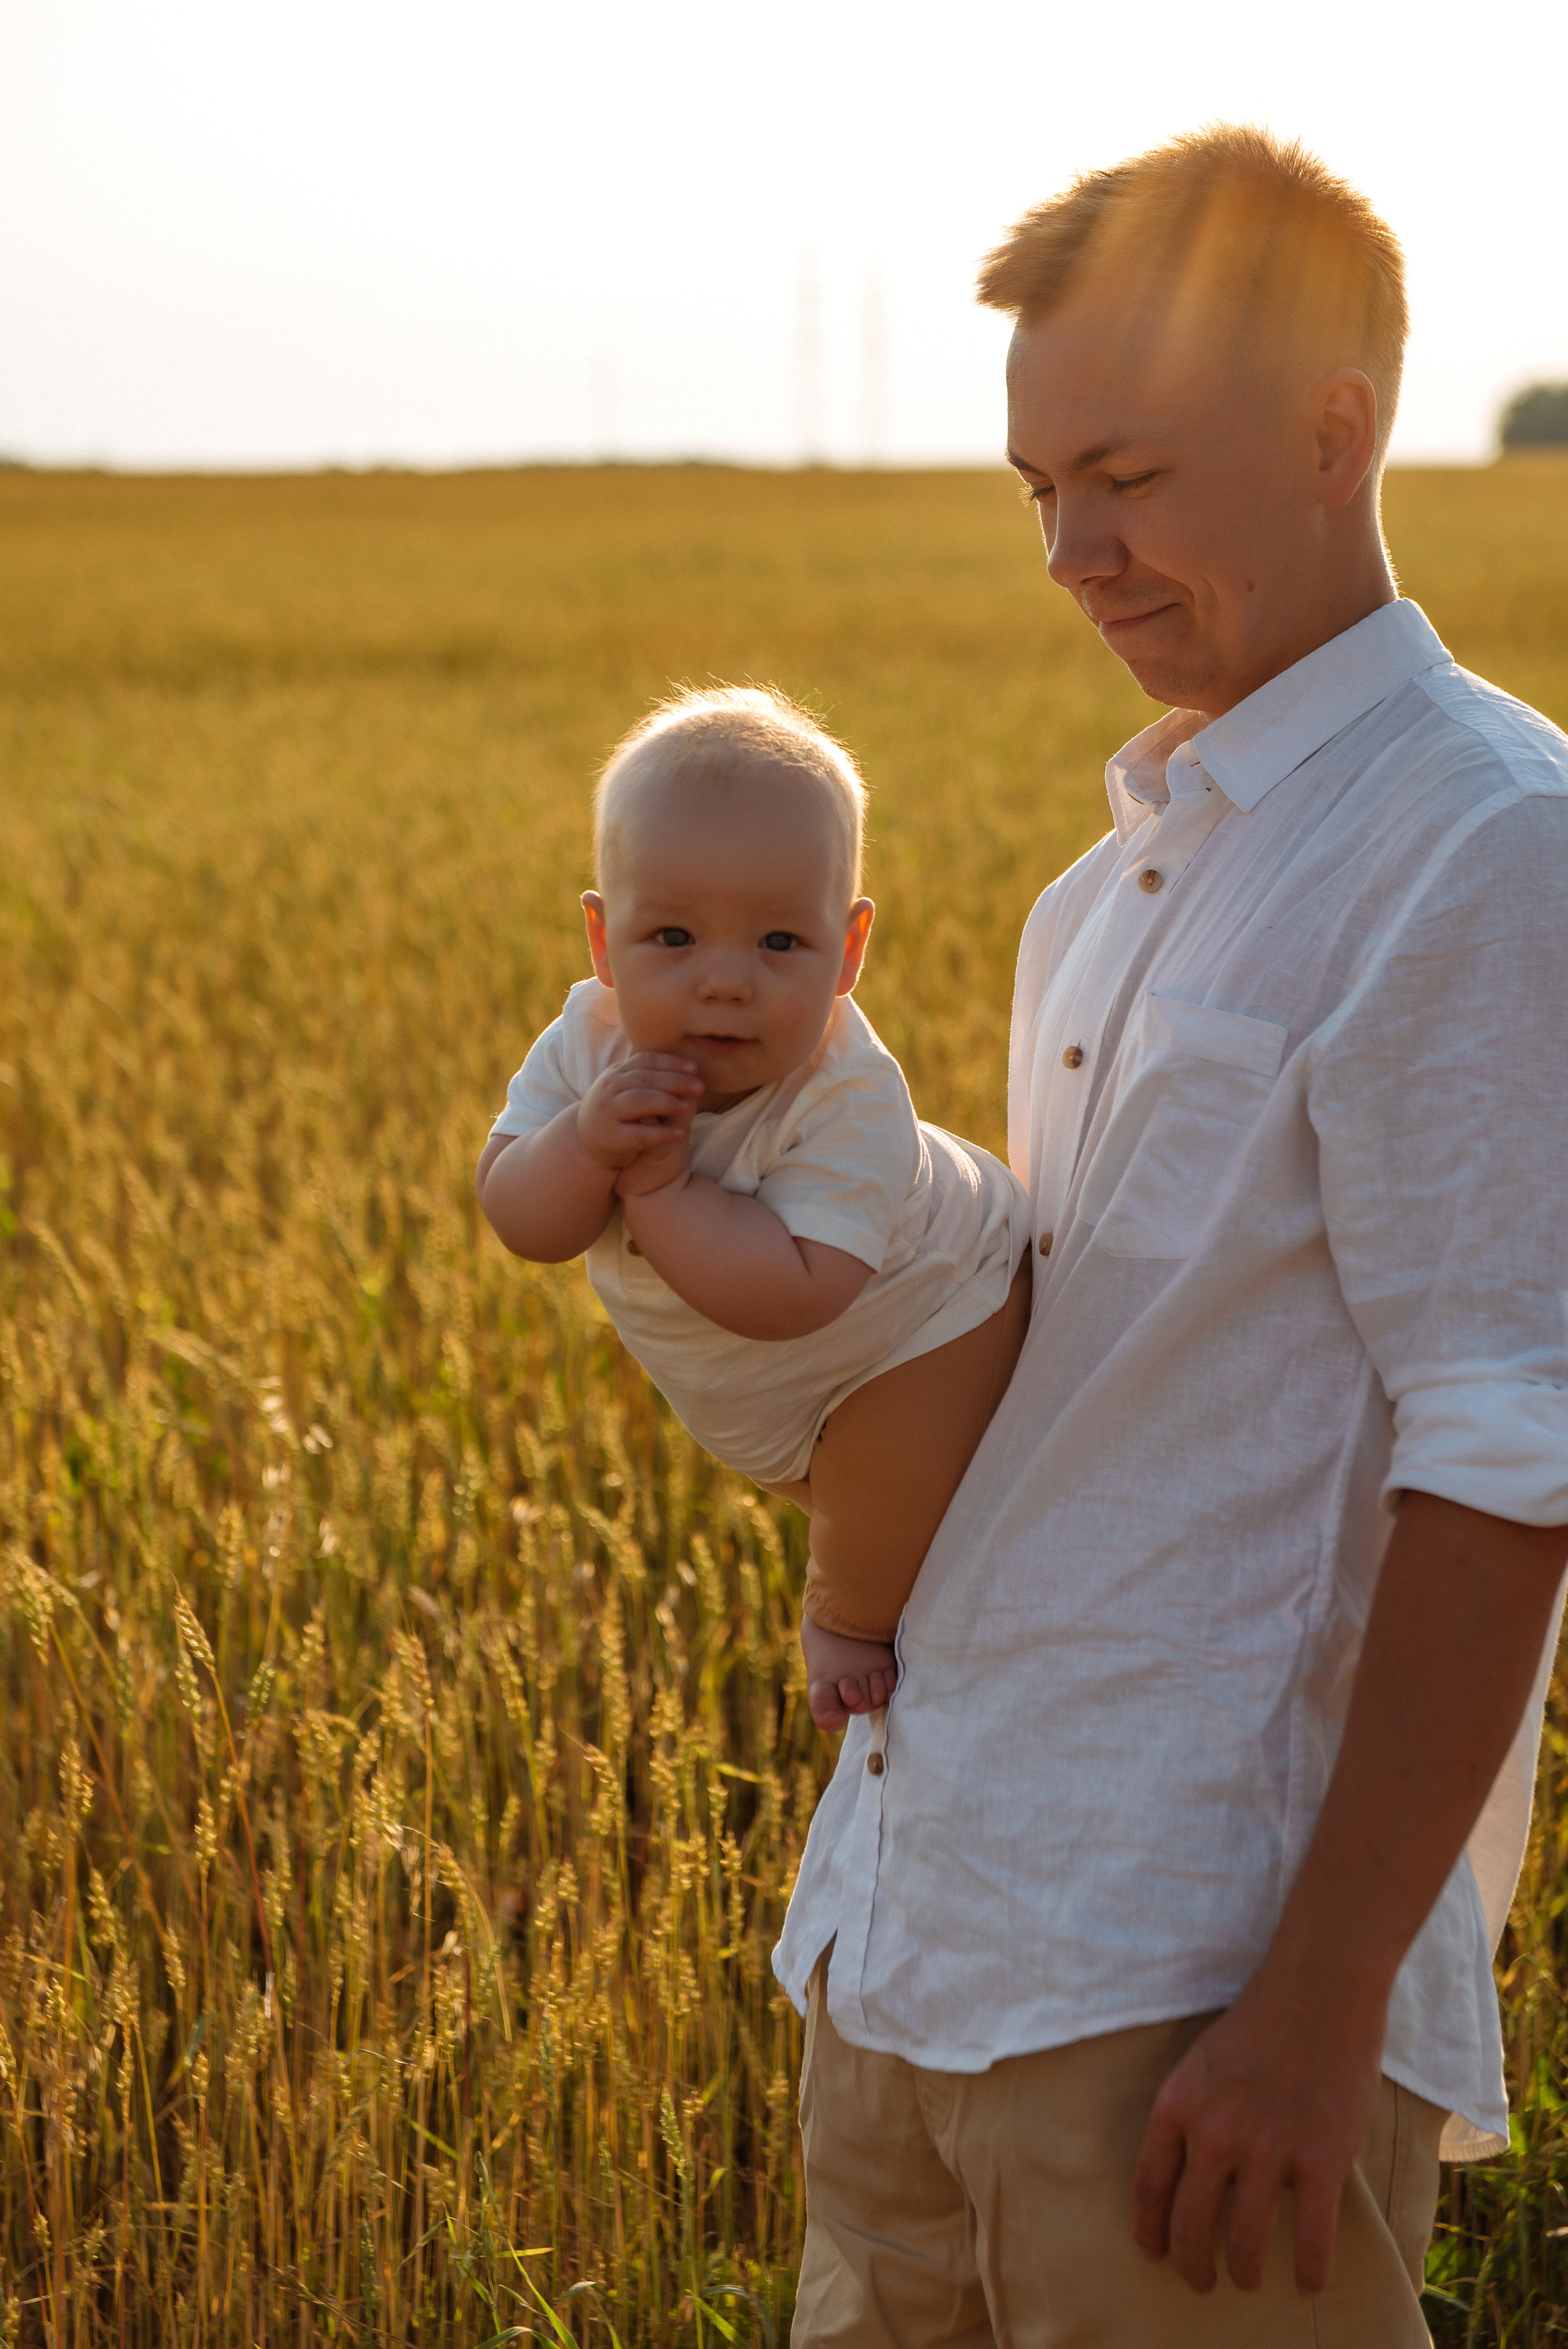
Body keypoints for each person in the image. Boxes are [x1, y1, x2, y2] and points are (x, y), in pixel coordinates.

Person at [774, 126, 1568, 2346]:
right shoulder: (1104, 887)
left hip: (1189, 2007)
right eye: (1036, 485)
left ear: (1339, 430)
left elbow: (1507, 1459)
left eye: (1120, 472)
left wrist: (1315, 2017)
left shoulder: (1487, 851)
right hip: (920, 1943)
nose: (1068, 549)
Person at [475, 684, 1031, 1730]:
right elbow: (520, 1218)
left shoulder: (848, 1095)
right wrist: (584, 1142)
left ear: (850, 951)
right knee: (844, 1488)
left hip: (936, 1319)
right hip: (779, 1388)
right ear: (602, 942)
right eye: (674, 937)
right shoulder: (589, 1047)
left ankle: (848, 1619)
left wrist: (663, 1189)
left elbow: (793, 1292)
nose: (726, 982)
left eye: (780, 945)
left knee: (887, 1493)